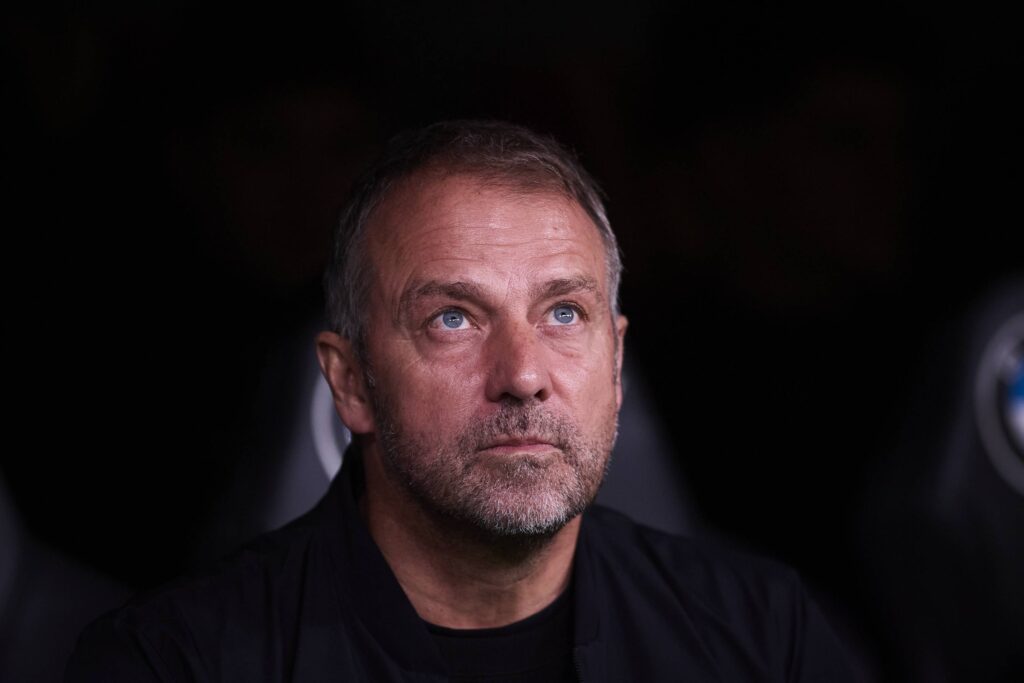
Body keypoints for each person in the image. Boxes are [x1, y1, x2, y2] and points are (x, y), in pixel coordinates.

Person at [66, 120, 857, 681]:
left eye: (563, 313)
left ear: (616, 361)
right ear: (351, 382)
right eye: (453, 317)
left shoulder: (763, 636)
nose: (523, 373)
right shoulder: (173, 661)